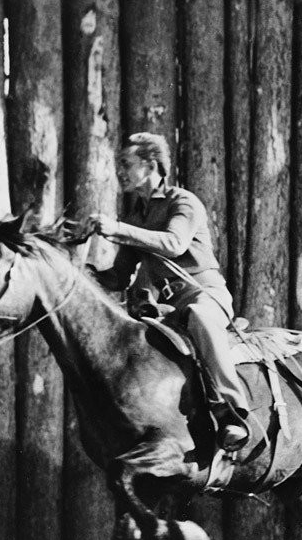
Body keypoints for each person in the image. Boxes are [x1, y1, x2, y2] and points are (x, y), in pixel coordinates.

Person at [89, 133, 251, 452]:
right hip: (169, 308)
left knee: (201, 318)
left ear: (151, 165)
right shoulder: (136, 216)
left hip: (205, 295)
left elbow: (174, 244)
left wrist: (117, 230)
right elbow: (120, 277)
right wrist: (86, 273)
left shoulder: (183, 202)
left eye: (126, 163)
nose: (120, 171)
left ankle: (231, 412)